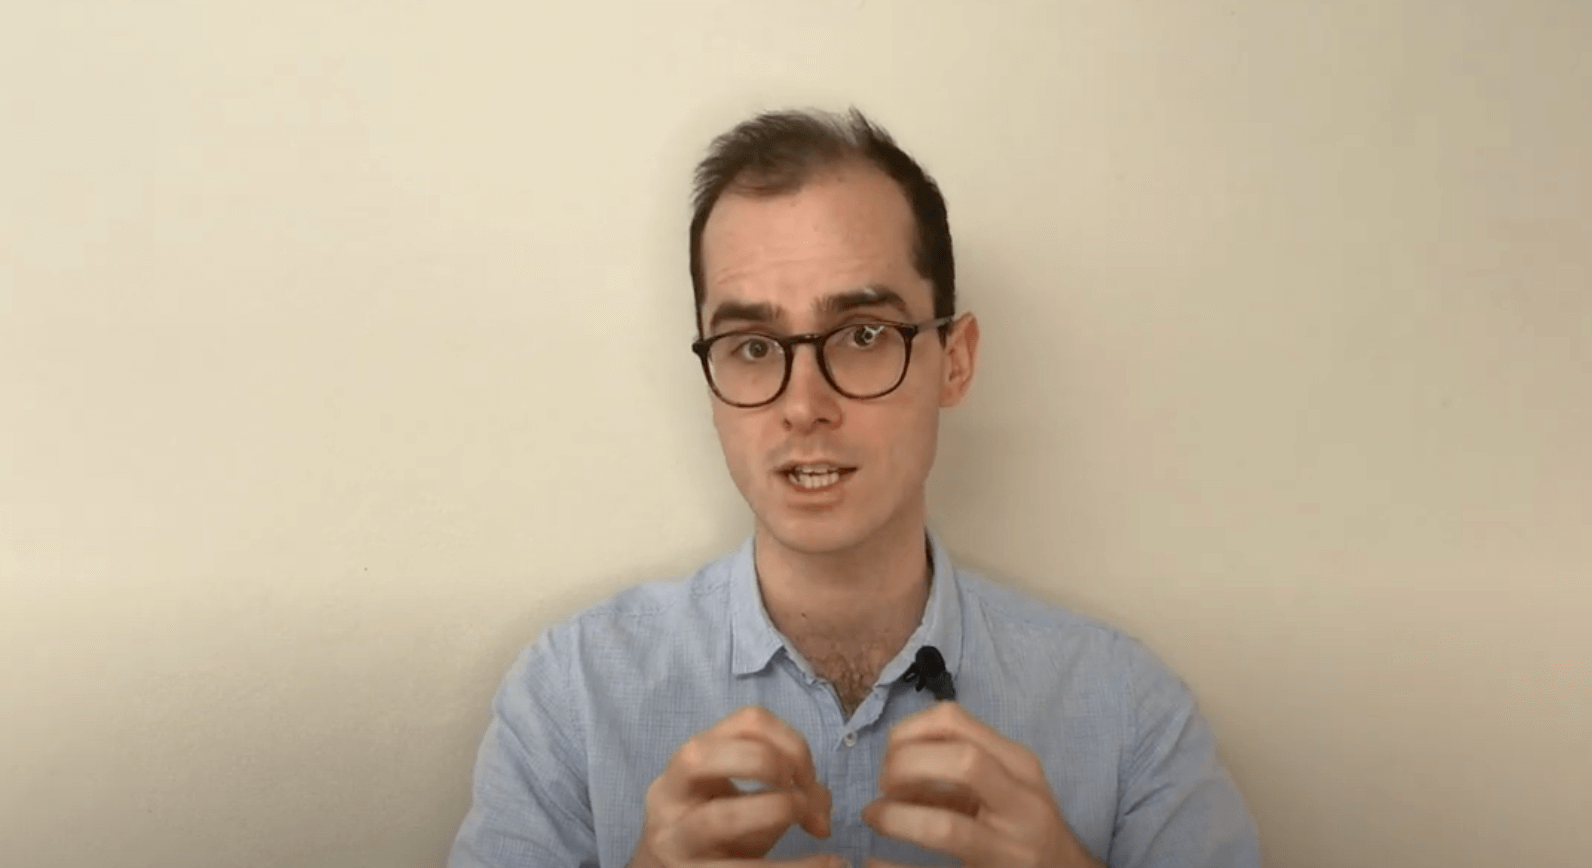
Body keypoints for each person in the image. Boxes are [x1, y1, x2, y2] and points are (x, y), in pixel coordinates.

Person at [450, 108, 1260, 868]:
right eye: (753, 345)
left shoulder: (1126, 712)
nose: (804, 406)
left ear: (957, 358)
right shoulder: (569, 696)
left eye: (864, 334)